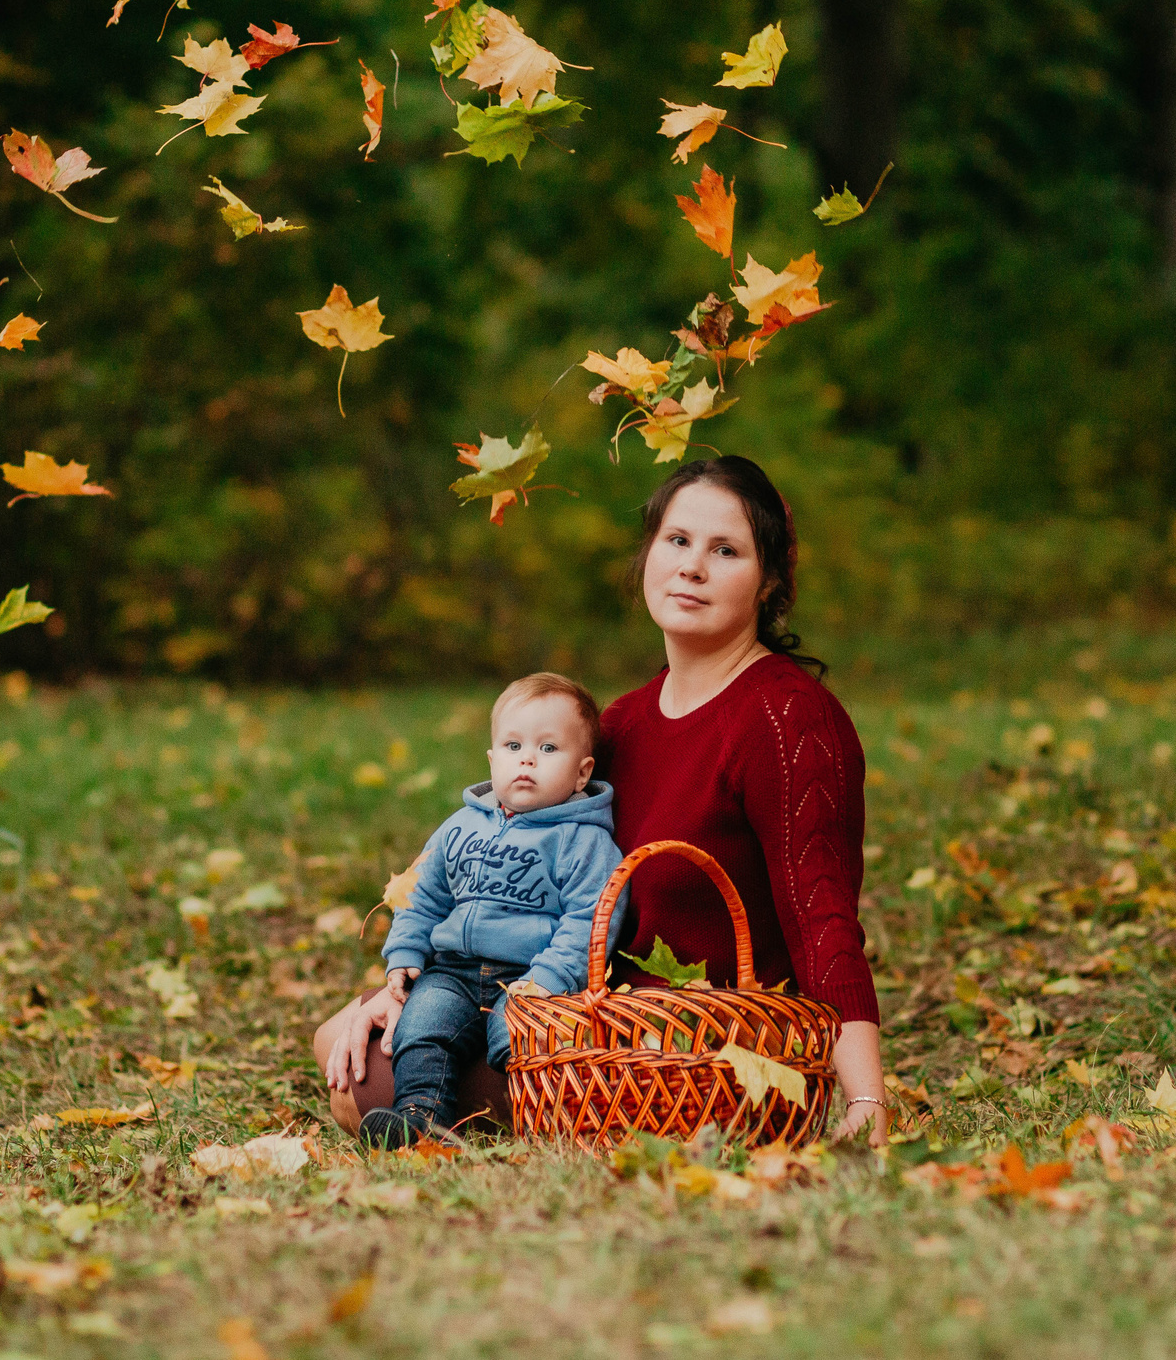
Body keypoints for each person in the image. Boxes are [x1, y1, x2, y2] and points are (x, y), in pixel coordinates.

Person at [316, 456, 890, 1147]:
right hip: (589, 1021)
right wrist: (395, 993)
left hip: (701, 1051)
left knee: (357, 1080)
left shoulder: (787, 720)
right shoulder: (620, 724)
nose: (692, 567)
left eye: (725, 550)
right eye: (676, 540)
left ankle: (460, 1106)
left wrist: (864, 1098)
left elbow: (823, 919)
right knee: (345, 1036)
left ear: (770, 580)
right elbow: (511, 873)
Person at [357, 673, 620, 1146]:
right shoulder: (461, 826)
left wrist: (549, 978)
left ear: (582, 773)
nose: (526, 758)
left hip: (530, 977)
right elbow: (421, 895)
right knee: (422, 1028)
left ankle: (543, 1120)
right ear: (492, 758)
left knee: (523, 1040)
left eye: (547, 749)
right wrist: (404, 956)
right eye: (513, 745)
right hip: (452, 969)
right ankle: (419, 1117)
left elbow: (591, 918)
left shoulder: (584, 841)